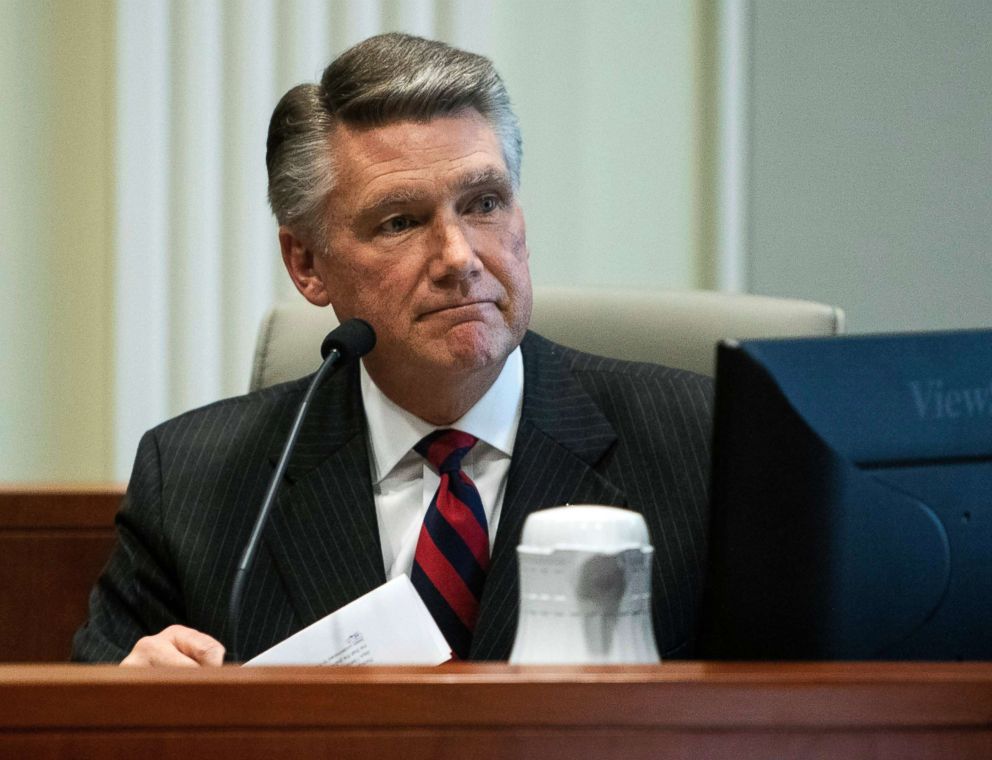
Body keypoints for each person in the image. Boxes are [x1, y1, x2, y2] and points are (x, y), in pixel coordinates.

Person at [72, 33, 713, 666]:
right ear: (307, 263)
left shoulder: (704, 447)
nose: (459, 259)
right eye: (400, 222)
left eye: (485, 203)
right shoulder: (193, 483)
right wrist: (133, 707)